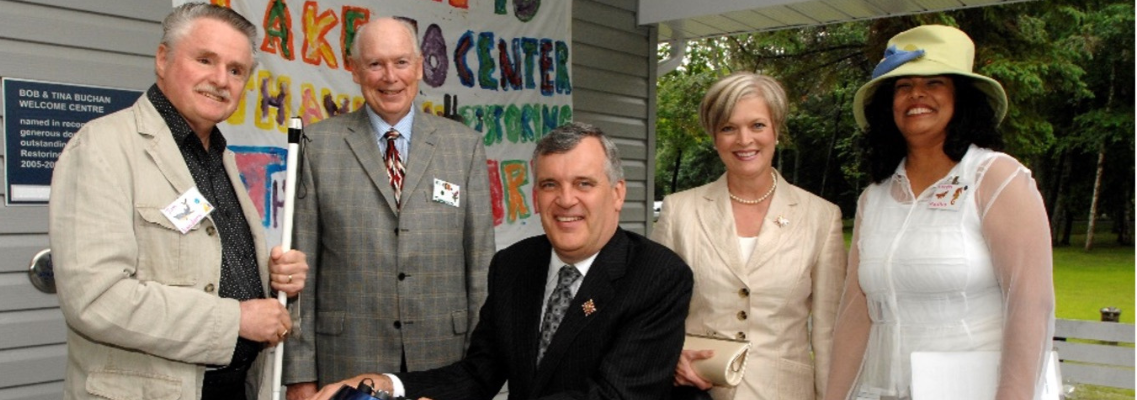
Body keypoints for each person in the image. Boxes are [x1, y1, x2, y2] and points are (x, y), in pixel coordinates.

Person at [308, 122, 694, 400]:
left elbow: (614, 395)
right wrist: (390, 384)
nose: (565, 200)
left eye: (584, 184)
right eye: (549, 185)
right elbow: (479, 373)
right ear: (534, 196)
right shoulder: (513, 266)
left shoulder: (658, 277)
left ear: (617, 193)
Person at [48, 3, 309, 399]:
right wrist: (235, 319)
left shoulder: (221, 158)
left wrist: (275, 286)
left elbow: (206, 269)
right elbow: (96, 300)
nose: (221, 80)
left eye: (236, 70)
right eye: (205, 60)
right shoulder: (102, 147)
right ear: (163, 58)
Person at [824, 25, 1055, 400]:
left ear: (960, 97)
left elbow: (1030, 304)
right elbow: (855, 314)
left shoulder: (996, 177)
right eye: (903, 86)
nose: (917, 94)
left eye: (934, 83)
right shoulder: (874, 198)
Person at [283, 17, 496, 399]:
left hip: (443, 358)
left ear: (418, 67)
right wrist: (299, 375)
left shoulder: (464, 148)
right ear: (355, 70)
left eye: (400, 62)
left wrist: (482, 368)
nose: (390, 77)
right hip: (345, 358)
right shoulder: (319, 146)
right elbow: (301, 272)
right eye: (375, 64)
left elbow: (481, 267)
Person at [651, 72, 847, 400]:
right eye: (729, 128)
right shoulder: (679, 212)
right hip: (697, 392)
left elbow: (828, 335)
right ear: (714, 137)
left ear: (776, 130)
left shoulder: (822, 218)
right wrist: (672, 356)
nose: (744, 140)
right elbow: (649, 312)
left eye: (757, 125)